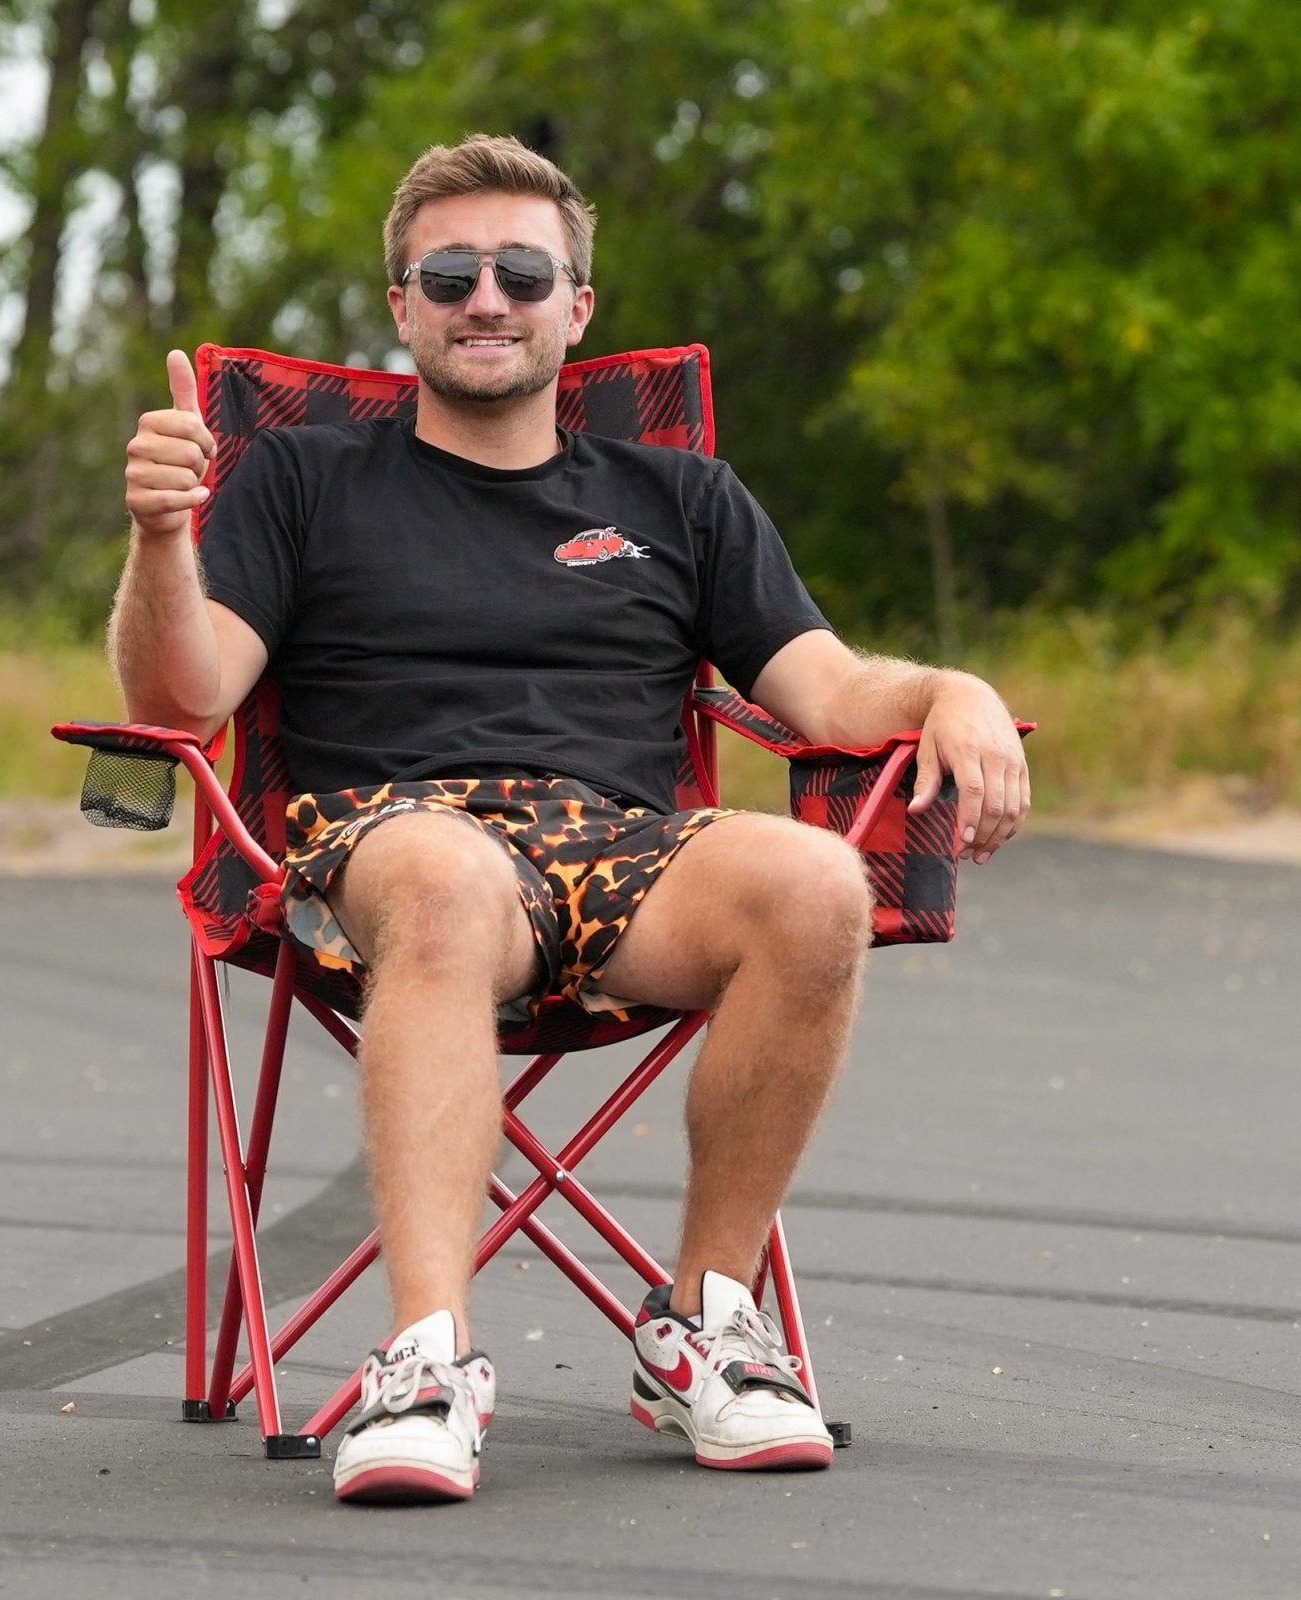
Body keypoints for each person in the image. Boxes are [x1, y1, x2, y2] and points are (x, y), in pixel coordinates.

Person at [112, 133, 1029, 1505]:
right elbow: (182, 697)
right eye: (454, 272)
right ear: (402, 305)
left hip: (624, 855)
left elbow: (829, 689)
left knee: (817, 883)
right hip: (388, 831)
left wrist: (952, 688)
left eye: (524, 272)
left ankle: (706, 1329)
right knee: (441, 876)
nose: (490, 297)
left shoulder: (682, 499)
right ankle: (427, 1361)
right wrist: (162, 540)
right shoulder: (302, 480)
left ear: (577, 307)